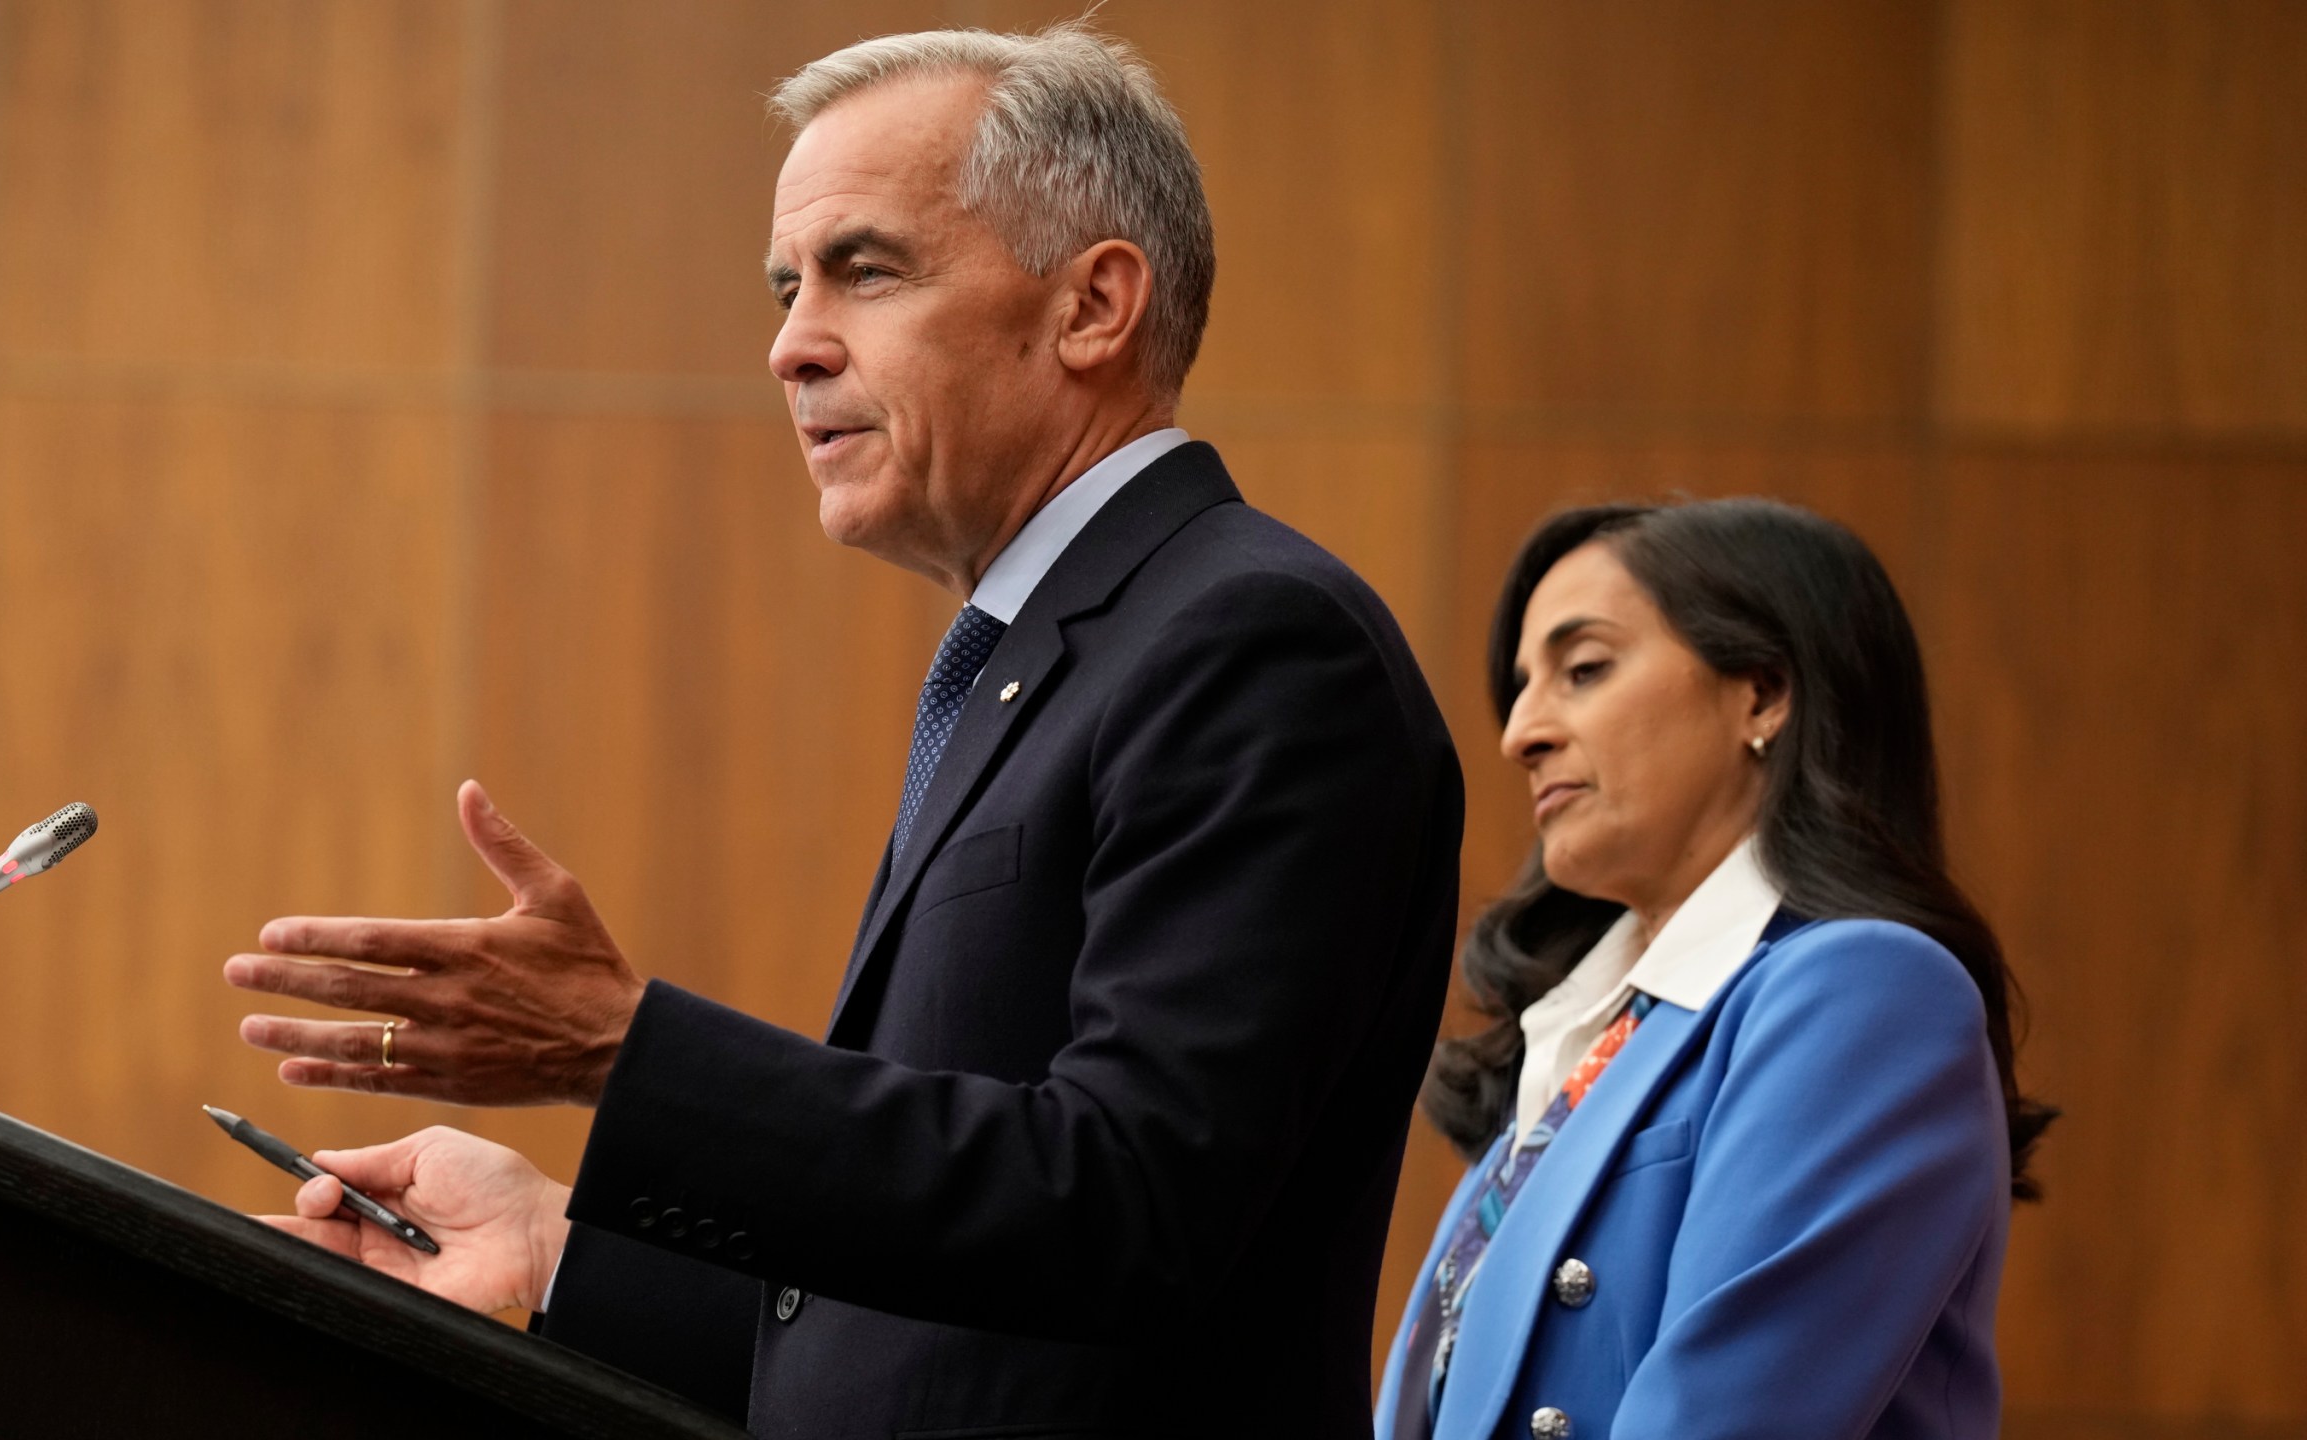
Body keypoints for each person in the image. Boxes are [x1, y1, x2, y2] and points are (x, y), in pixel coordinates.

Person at [223, 24, 1465, 1440]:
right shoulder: (1040, 654)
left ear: (1093, 306)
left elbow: (1127, 1207)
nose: (790, 344)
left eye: (864, 270)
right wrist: (561, 1247)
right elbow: (952, 1296)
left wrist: (625, 1058)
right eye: (786, 285)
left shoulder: (1249, 642)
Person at [1376, 499, 2055, 1440]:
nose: (1519, 733)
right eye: (1524, 686)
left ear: (1764, 693)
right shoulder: (1589, 1032)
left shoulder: (1866, 993)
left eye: (1584, 669)